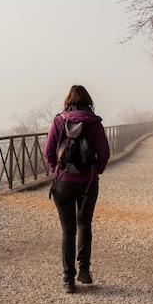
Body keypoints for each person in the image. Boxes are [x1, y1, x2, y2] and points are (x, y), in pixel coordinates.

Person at [43, 85, 110, 293]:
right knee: (84, 225)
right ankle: (84, 270)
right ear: (88, 101)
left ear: (68, 100)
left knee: (67, 230)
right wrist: (95, 171)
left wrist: (57, 172)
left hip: (63, 183)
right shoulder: (95, 123)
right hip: (88, 183)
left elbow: (48, 153)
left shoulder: (59, 121)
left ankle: (68, 280)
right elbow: (104, 153)